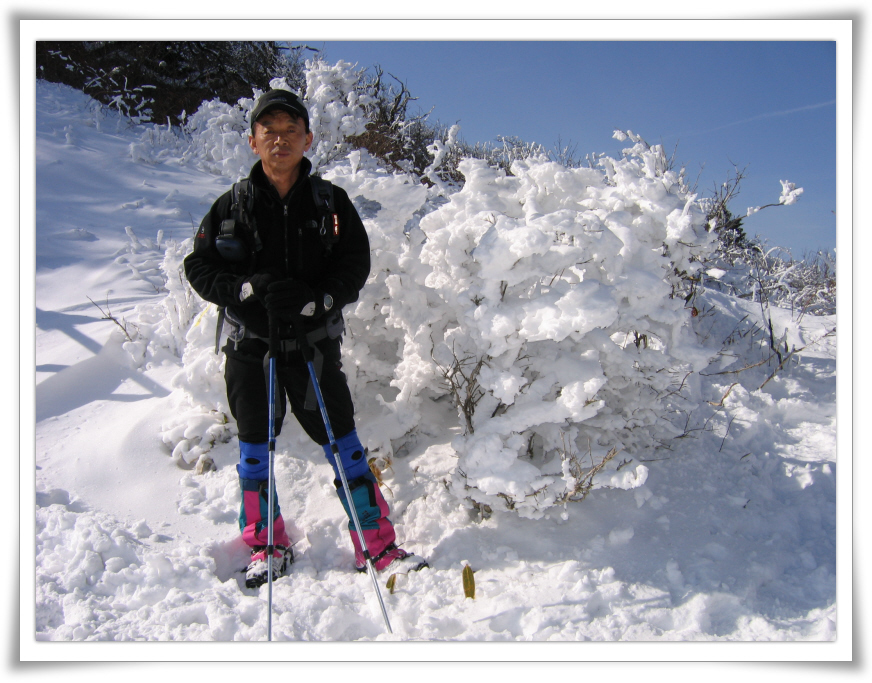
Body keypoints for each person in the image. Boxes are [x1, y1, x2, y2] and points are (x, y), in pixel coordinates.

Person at [184, 89, 427, 588]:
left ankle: (377, 547)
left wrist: (320, 300)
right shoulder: (231, 205)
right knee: (254, 451)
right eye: (269, 131)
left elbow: (354, 263)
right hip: (250, 348)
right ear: (253, 142)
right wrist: (244, 290)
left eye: (290, 130)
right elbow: (199, 266)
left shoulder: (330, 203)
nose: (280, 140)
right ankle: (265, 545)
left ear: (308, 139)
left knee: (346, 448)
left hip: (313, 345)